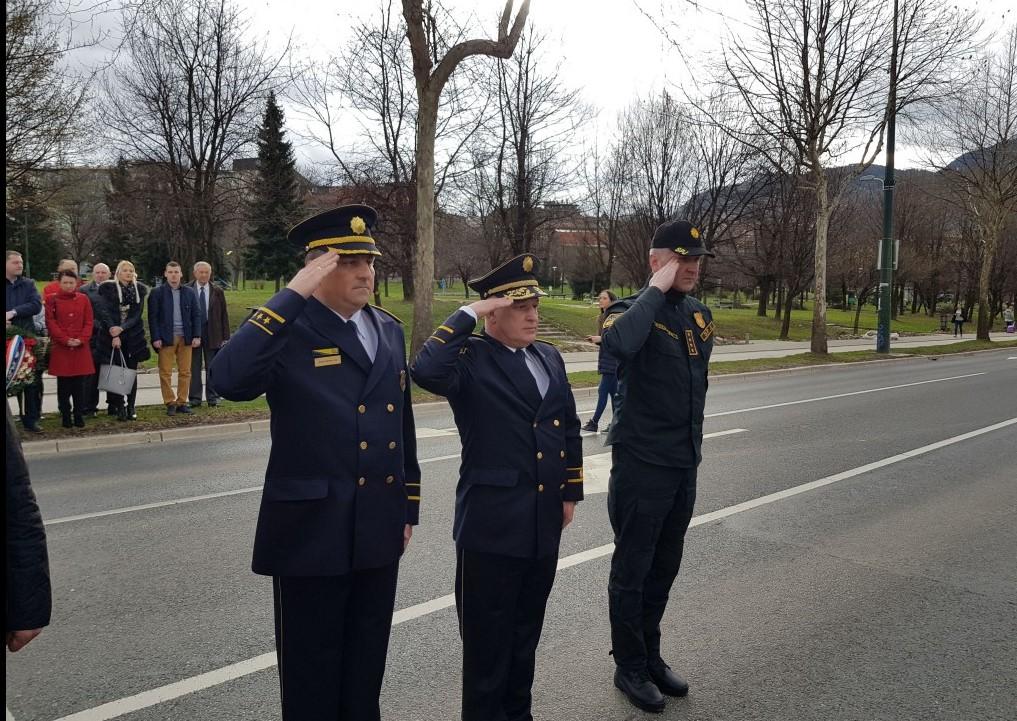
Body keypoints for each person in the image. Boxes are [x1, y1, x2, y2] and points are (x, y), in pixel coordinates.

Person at [210, 205, 421, 721]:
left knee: (366, 667)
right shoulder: (288, 327)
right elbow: (228, 379)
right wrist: (293, 292)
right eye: (347, 262)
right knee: (311, 676)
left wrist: (407, 506)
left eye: (368, 260)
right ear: (318, 269)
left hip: (377, 522)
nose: (365, 272)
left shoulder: (388, 330)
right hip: (312, 529)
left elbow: (403, 427)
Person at [411, 254, 584, 721]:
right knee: (487, 648)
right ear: (494, 312)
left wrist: (570, 491)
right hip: (491, 526)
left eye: (535, 305)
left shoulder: (547, 354)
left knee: (526, 635)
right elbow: (424, 371)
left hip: (542, 521)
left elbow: (567, 425)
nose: (533, 315)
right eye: (520, 306)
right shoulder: (469, 359)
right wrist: (468, 314)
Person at [600, 219, 716, 713]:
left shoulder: (698, 315)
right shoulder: (630, 312)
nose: (690, 266)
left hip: (682, 464)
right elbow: (618, 346)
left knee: (664, 566)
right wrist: (654, 291)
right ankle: (628, 665)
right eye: (679, 257)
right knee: (633, 568)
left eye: (695, 259)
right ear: (655, 261)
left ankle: (650, 653)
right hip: (642, 465)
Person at [95, 261, 151, 421]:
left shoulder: (139, 290)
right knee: (116, 372)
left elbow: (136, 315)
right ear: (118, 273)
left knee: (131, 372)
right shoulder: (108, 289)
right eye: (125, 270)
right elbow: (104, 312)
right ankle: (119, 406)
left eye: (131, 270)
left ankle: (131, 405)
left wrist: (122, 328)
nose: (128, 273)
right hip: (111, 335)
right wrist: (114, 332)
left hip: (132, 336)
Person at [148, 261, 201, 416]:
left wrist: (196, 335)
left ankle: (182, 402)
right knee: (165, 372)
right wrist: (156, 337)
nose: (173, 275)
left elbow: (196, 315)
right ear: (165, 274)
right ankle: (170, 402)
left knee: (185, 371)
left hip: (186, 337)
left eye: (176, 272)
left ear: (181, 274)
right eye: (170, 272)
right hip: (166, 338)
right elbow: (153, 317)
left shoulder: (189, 292)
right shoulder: (157, 293)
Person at [45, 270, 95, 428]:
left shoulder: (83, 299)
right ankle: (66, 415)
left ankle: (79, 414)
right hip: (62, 348)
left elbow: (88, 322)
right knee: (64, 386)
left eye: (71, 283)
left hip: (80, 348)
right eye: (65, 282)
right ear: (59, 283)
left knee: (80, 385)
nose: (68, 286)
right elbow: (51, 323)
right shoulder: (51, 300)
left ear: (77, 284)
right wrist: (65, 340)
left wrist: (81, 339)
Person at [6, 250, 44, 432]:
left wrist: (13, 312)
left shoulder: (28, 284)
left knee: (30, 380)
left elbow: (36, 305)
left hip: (25, 339)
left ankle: (31, 418)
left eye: (20, 262)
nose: (20, 265)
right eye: (15, 262)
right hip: (6, 338)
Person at [187, 261, 230, 407]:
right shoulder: (187, 289)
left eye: (206, 272)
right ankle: (194, 398)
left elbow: (224, 315)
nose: (204, 275)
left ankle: (213, 397)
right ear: (195, 273)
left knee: (212, 366)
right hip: (194, 335)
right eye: (201, 272)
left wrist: (226, 337)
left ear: (210, 274)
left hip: (213, 333)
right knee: (194, 367)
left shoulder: (217, 291)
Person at [583, 289, 620, 433]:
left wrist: (601, 339)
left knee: (603, 391)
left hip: (613, 360)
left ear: (612, 301)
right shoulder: (603, 317)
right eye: (600, 298)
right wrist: (597, 340)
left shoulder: (615, 317)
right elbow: (606, 339)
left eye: (604, 298)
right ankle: (616, 424)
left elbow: (616, 340)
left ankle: (594, 422)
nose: (600, 301)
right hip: (606, 358)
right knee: (613, 393)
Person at [81, 263, 112, 416]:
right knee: (91, 374)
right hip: (93, 337)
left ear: (109, 274)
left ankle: (114, 405)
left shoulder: (116, 289)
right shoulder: (84, 291)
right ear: (93, 274)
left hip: (112, 337)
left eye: (103, 272)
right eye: (97, 272)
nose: (100, 275)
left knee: (111, 372)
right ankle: (89, 406)